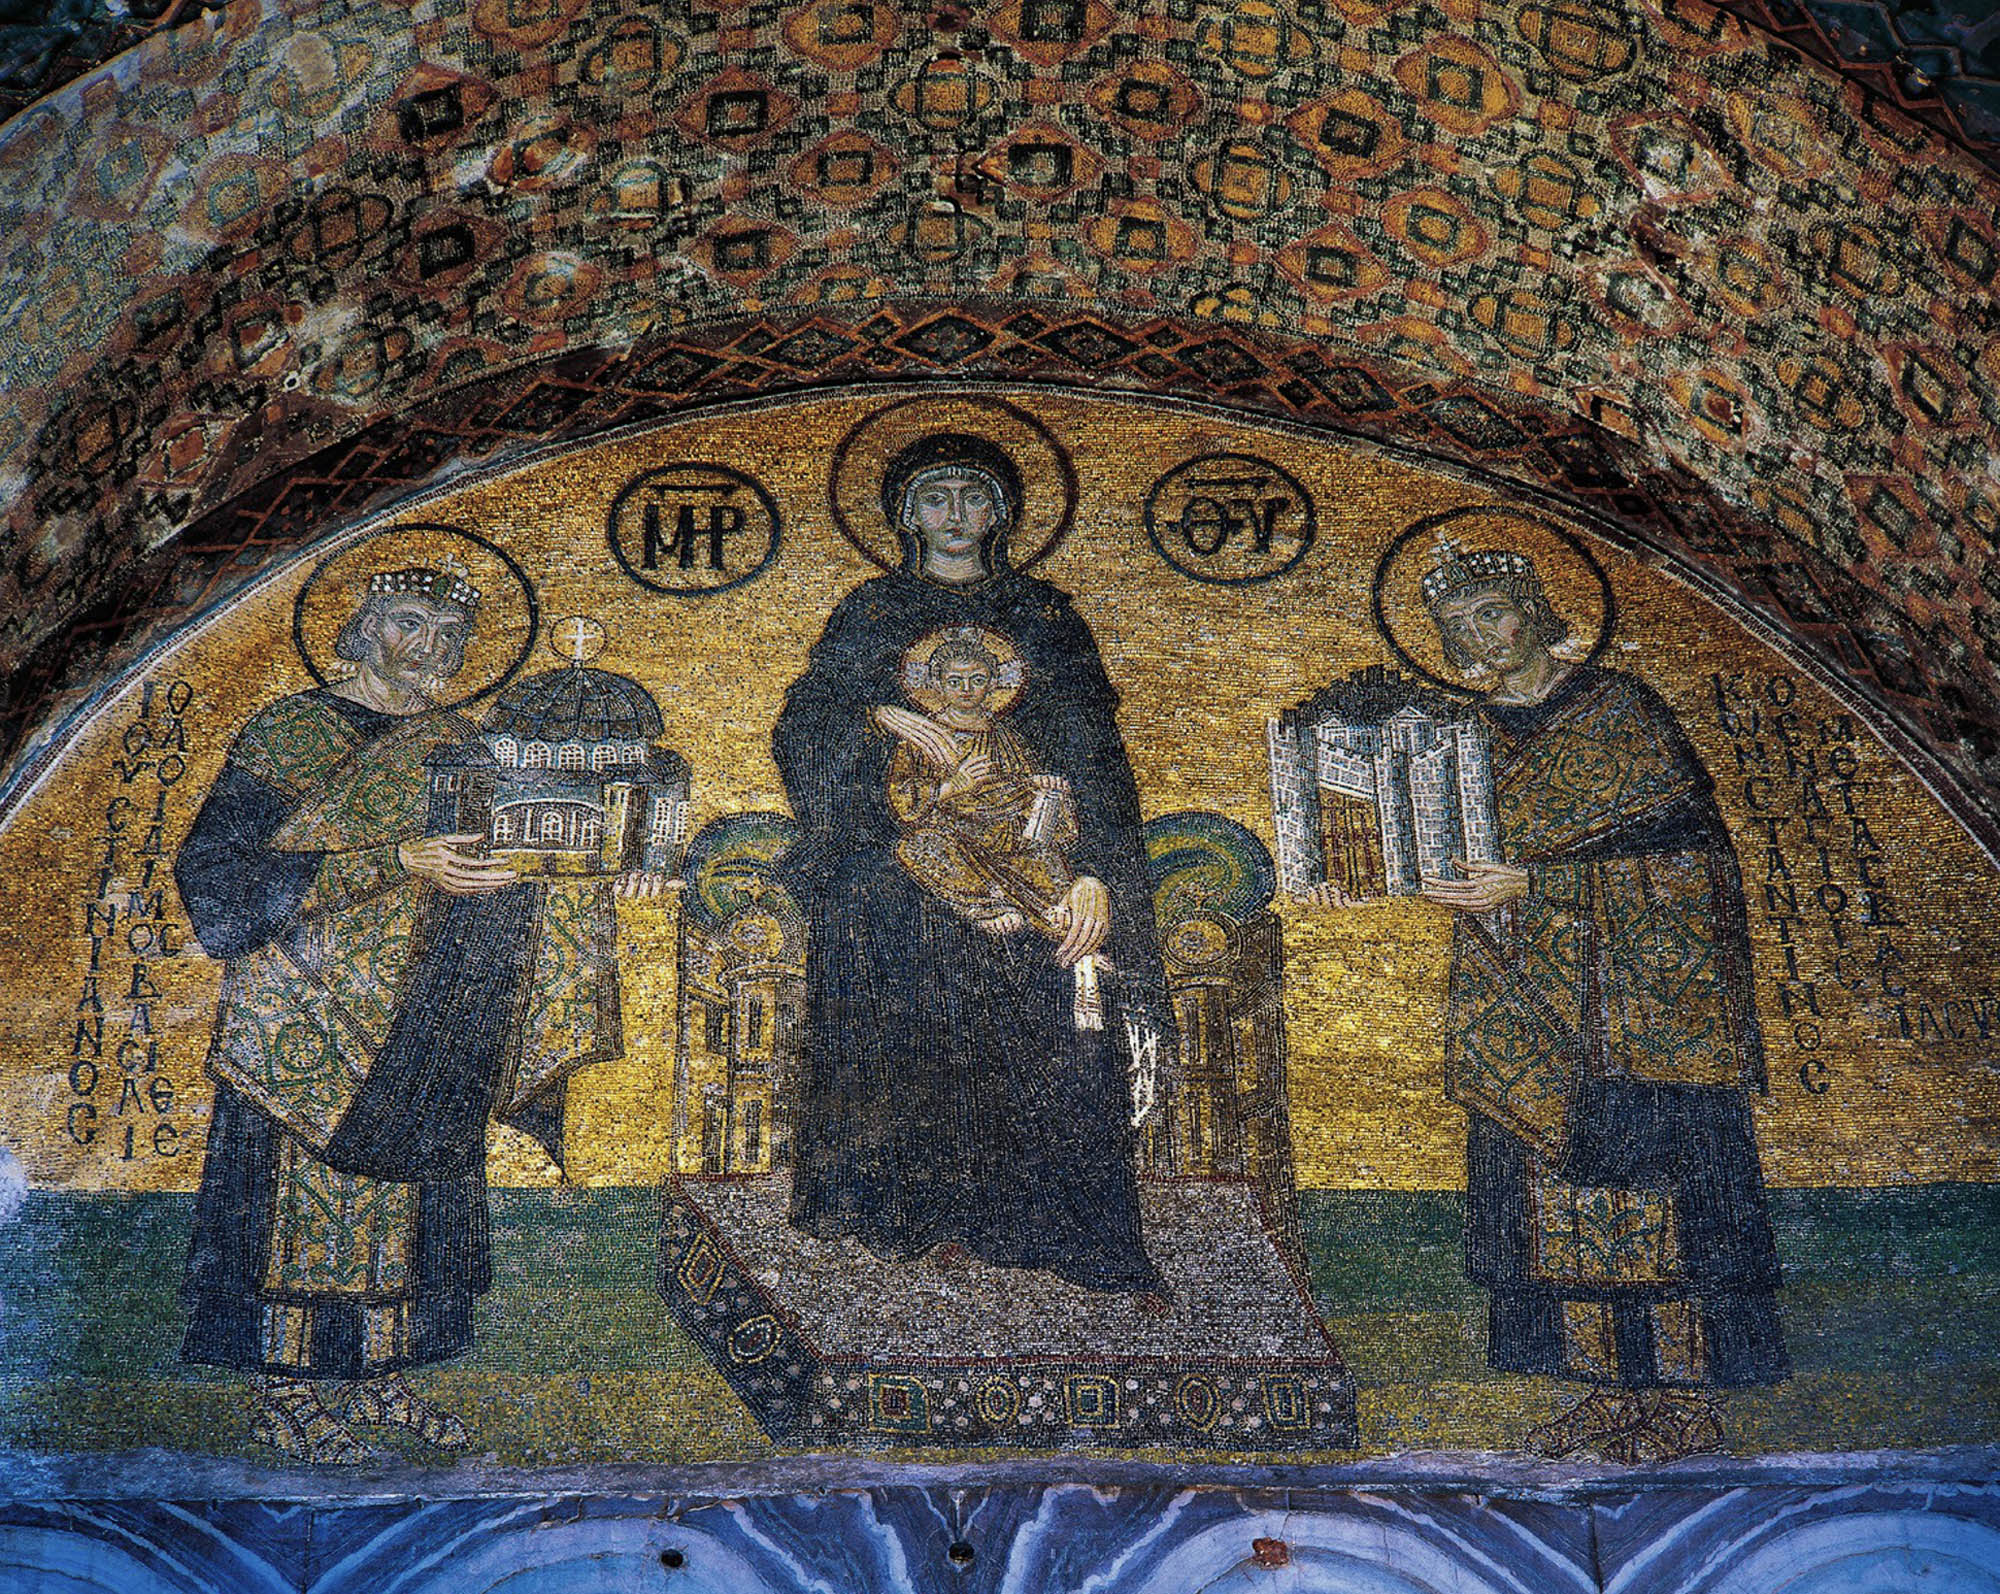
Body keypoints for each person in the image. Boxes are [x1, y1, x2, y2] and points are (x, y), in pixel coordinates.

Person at [1311, 541, 1788, 1462]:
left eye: (1490, 613)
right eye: (1454, 627)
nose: (1475, 638)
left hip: (1641, 1009)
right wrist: (1360, 871)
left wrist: (1536, 886)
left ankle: (1683, 1398)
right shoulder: (1457, 738)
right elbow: (1420, 842)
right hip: (1521, 999)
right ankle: (1606, 1395)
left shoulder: (1621, 713)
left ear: (1534, 612)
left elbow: (1698, 867)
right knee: (1551, 1201)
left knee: (1659, 1194)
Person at [175, 566, 630, 1463]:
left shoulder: (464, 742)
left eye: (450, 634)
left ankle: (381, 1377)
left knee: (411, 1205)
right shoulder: (289, 733)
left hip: (430, 1008)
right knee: (300, 1207)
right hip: (305, 1016)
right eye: (409, 623)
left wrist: (596, 882)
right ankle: (285, 1388)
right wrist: (394, 860)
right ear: (360, 627)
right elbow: (219, 879)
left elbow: (521, 854)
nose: (431, 647)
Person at [773, 434, 1167, 1295]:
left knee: (1058, 973)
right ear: (906, 515)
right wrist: (878, 721)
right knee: (881, 922)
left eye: (973, 496)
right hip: (895, 864)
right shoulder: (870, 614)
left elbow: (1096, 757)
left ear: (1002, 513)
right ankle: (901, 1213)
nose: (955, 514)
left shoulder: (1046, 617)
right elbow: (805, 733)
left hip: (1035, 863)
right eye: (936, 497)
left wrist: (1095, 873)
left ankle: (1048, 1225)